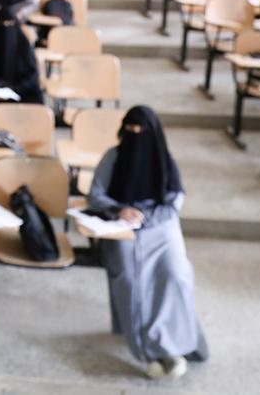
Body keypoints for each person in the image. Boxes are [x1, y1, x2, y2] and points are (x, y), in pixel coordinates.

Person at [86, 106, 208, 379]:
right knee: (132, 280)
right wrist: (120, 210)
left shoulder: (165, 161)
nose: (134, 137)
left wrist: (147, 218)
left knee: (177, 275)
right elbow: (95, 195)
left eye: (140, 132)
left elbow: (174, 200)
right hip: (121, 227)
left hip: (161, 227)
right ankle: (149, 351)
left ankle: (178, 344)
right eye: (129, 131)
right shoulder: (114, 157)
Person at [0, 9, 43, 104]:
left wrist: (16, 88)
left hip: (23, 96)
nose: (6, 28)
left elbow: (32, 77)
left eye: (10, 23)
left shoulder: (25, 47)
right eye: (2, 24)